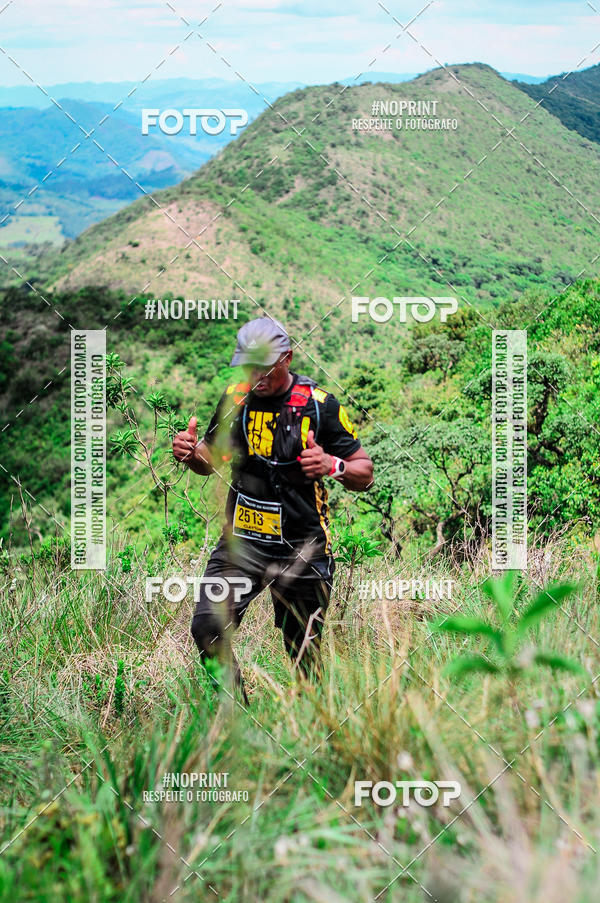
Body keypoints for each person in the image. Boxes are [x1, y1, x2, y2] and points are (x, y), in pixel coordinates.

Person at [172, 317, 373, 701]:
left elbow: (364, 472)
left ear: (287, 357)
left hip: (302, 546)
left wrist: (333, 466)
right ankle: (237, 715)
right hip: (242, 543)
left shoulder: (320, 406)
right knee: (207, 629)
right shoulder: (235, 399)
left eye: (265, 365)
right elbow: (210, 458)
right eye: (249, 366)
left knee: (303, 655)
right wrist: (189, 452)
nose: (256, 375)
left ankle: (313, 730)